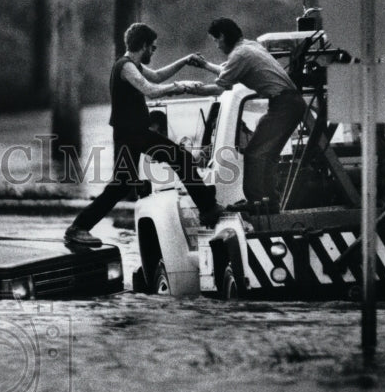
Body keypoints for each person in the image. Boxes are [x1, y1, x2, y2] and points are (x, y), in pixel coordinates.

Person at [64, 23, 221, 247]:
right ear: (144, 46)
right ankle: (208, 209)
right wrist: (181, 85)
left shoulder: (131, 64)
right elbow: (151, 90)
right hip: (133, 134)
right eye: (153, 48)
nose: (153, 52)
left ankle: (78, 228)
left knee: (121, 184)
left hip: (132, 133)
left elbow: (156, 77)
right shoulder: (126, 67)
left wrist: (184, 60)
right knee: (181, 158)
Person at [185, 17, 307, 213]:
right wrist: (205, 65)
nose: (217, 46)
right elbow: (230, 71)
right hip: (288, 103)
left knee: (253, 154)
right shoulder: (249, 46)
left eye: (216, 41)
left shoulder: (239, 55)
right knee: (266, 155)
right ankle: (268, 202)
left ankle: (257, 202)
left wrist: (189, 89)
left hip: (284, 105)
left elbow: (220, 88)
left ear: (223, 37)